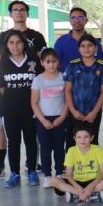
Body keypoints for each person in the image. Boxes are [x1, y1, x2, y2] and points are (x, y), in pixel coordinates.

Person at [0, 0, 47, 177]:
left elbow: (41, 63)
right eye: (15, 10)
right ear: (11, 14)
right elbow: (0, 64)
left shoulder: (36, 36)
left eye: (22, 9)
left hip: (30, 92)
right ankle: (0, 163)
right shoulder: (2, 36)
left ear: (27, 13)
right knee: (5, 128)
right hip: (9, 92)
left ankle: (32, 164)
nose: (19, 12)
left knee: (32, 131)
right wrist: (3, 89)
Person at [0, 30, 43, 187]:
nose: (15, 46)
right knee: (13, 142)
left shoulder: (33, 60)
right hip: (11, 110)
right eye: (11, 43)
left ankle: (32, 172)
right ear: (6, 45)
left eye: (18, 42)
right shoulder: (3, 63)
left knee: (31, 141)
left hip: (31, 109)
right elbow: (1, 87)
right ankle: (14, 174)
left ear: (24, 43)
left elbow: (40, 83)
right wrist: (8, 104)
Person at [63, 34, 103, 148]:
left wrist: (94, 112)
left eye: (90, 45)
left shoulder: (102, 66)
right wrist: (73, 111)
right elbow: (68, 90)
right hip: (75, 112)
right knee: (71, 143)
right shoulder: (73, 65)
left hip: (93, 113)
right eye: (83, 46)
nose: (86, 48)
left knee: (92, 142)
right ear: (79, 49)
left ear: (96, 48)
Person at [31, 48, 67, 188]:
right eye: (48, 62)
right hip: (43, 119)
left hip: (59, 118)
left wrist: (62, 117)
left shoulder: (63, 77)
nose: (51, 64)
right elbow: (34, 102)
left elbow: (67, 100)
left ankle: (59, 173)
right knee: (45, 148)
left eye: (54, 61)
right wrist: (43, 120)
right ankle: (47, 175)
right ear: (42, 63)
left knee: (59, 147)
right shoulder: (38, 80)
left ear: (58, 62)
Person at [50, 125, 103, 203]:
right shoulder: (71, 151)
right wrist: (78, 188)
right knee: (53, 180)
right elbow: (68, 175)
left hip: (94, 181)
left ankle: (75, 195)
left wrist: (91, 186)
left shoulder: (98, 149)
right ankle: (88, 195)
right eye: (79, 137)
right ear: (74, 138)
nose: (82, 140)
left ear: (91, 138)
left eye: (86, 137)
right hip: (77, 181)